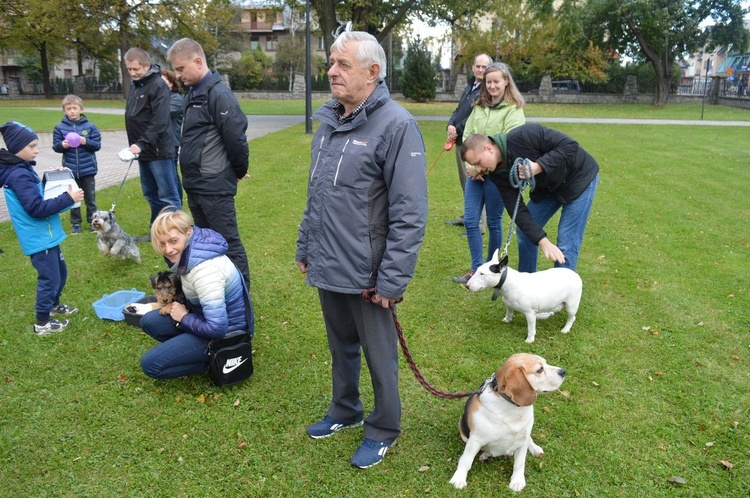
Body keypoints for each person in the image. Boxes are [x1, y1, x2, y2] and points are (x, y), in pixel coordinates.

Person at [295, 31, 428, 469]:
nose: (331, 71)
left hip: (369, 273)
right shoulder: (331, 122)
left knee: (379, 355)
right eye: (331, 64)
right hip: (328, 259)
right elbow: (317, 193)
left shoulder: (396, 125)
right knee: (341, 346)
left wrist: (391, 279)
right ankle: (345, 409)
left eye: (342, 65)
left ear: (373, 73)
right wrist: (306, 245)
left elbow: (409, 213)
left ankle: (384, 427)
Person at [166, 38, 251, 287]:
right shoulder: (192, 94)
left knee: (228, 243)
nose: (178, 75)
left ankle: (241, 297)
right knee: (205, 244)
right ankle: (215, 289)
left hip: (214, 186)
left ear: (198, 61)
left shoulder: (219, 94)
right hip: (195, 185)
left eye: (180, 69)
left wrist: (238, 170)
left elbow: (236, 139)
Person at [461, 123, 600, 273]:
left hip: (579, 178)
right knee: (525, 233)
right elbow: (517, 210)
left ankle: (562, 294)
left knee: (567, 241)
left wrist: (539, 166)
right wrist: (543, 241)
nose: (479, 170)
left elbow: (569, 146)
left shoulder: (524, 135)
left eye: (478, 163)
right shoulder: (497, 174)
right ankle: (527, 287)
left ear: (488, 148)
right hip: (548, 188)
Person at [139, 209, 254, 379]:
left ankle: (215, 359)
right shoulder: (194, 252)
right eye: (162, 244)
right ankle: (189, 348)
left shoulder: (205, 271)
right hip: (205, 319)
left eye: (173, 241)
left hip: (228, 335)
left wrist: (184, 318)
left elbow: (217, 328)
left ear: (189, 232)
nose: (168, 249)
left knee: (151, 365)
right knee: (149, 320)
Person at [0, 121, 84, 334]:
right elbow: (36, 208)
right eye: (32, 146)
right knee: (50, 279)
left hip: (47, 235)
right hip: (38, 238)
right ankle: (42, 323)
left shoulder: (22, 169)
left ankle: (54, 306)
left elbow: (35, 194)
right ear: (18, 148)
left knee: (60, 273)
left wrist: (53, 177)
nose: (37, 150)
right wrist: (67, 198)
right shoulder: (18, 174)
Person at [453, 62, 526, 284]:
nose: (492, 86)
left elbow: (510, 141)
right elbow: (468, 137)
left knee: (494, 222)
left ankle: (491, 269)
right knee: (472, 220)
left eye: (497, 81)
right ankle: (477, 269)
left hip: (498, 176)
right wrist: (473, 167)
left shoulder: (514, 109)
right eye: (489, 81)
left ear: (506, 81)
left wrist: (484, 165)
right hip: (475, 175)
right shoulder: (478, 106)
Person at [122, 47, 181, 241]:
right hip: (143, 152)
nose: (132, 73)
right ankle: (156, 233)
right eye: (129, 69)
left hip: (159, 151)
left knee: (168, 196)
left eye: (135, 69)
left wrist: (141, 143)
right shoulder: (136, 85)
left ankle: (175, 234)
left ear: (146, 66)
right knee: (150, 194)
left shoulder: (157, 85)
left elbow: (160, 121)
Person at [445, 53, 493, 226]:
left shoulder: (488, 90)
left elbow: (474, 117)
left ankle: (478, 223)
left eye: (484, 67)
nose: (480, 70)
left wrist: (456, 130)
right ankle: (468, 216)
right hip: (460, 141)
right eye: (478, 66)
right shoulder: (470, 86)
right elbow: (459, 110)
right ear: (473, 67)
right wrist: (450, 126)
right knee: (465, 183)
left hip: (474, 143)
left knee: (474, 182)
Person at [52, 94, 101, 234]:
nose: (72, 111)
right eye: (69, 109)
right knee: (73, 198)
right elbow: (56, 147)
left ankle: (93, 222)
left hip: (88, 169)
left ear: (81, 109)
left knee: (90, 199)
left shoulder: (90, 127)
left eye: (75, 108)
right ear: (64, 110)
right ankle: (76, 224)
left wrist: (86, 142)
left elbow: (97, 145)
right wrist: (63, 145)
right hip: (70, 170)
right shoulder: (60, 128)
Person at [161, 69, 184, 201]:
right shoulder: (162, 98)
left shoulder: (176, 99)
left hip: (171, 142)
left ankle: (177, 201)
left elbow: (163, 115)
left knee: (172, 174)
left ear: (171, 83)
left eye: (164, 81)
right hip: (160, 143)